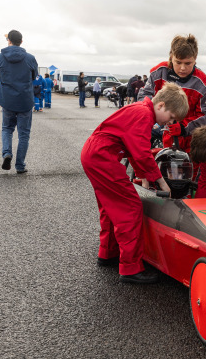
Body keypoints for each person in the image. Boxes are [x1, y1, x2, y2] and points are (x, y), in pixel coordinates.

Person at [80, 83, 189, 284]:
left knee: (109, 206)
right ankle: (130, 268)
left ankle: (108, 253)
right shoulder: (144, 115)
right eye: (171, 117)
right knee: (129, 207)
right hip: (103, 158)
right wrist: (161, 182)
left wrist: (144, 177)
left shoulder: (139, 109)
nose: (169, 123)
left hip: (94, 155)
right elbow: (141, 152)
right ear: (161, 105)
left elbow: (132, 148)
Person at [138, 34, 206, 156]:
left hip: (192, 137)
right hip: (165, 130)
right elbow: (144, 96)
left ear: (195, 59)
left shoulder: (204, 84)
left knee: (190, 170)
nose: (182, 68)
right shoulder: (159, 72)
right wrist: (153, 116)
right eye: (178, 62)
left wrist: (184, 127)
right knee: (167, 167)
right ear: (171, 57)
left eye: (188, 63)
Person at [0, 30, 38, 173]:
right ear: (21, 42)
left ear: (9, 41)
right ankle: (20, 165)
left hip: (7, 100)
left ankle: (7, 153)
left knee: (7, 129)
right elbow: (33, 77)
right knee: (24, 134)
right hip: (25, 100)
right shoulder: (30, 58)